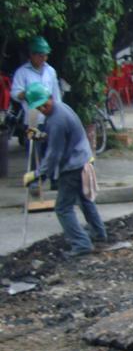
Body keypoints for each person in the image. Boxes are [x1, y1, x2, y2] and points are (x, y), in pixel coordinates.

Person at [21, 83, 107, 257]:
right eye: (39, 107)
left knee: (63, 208)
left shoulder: (56, 120)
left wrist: (37, 174)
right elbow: (58, 138)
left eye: (43, 105)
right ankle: (99, 233)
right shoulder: (61, 108)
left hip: (72, 166)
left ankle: (81, 244)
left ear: (48, 99)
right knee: (84, 200)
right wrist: (40, 136)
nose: (42, 109)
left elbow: (54, 155)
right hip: (82, 159)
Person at [11, 36, 63, 176]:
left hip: (50, 119)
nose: (43, 58)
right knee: (34, 152)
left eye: (45, 55)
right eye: (40, 55)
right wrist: (28, 93)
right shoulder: (22, 72)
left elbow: (56, 95)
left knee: (52, 150)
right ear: (32, 55)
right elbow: (15, 94)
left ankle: (54, 180)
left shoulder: (50, 71)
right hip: (32, 120)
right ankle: (35, 182)